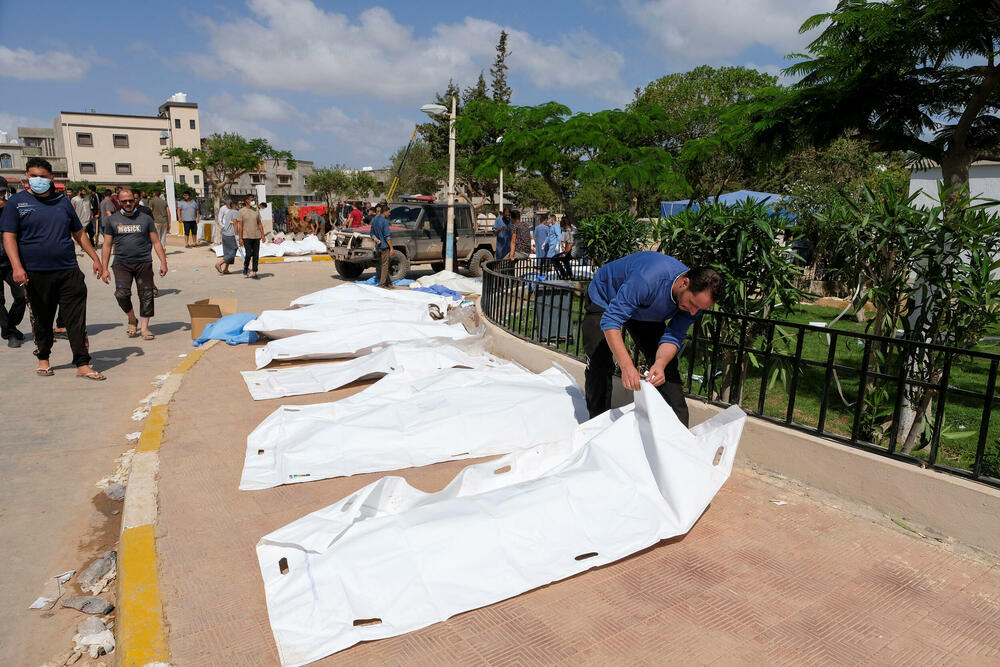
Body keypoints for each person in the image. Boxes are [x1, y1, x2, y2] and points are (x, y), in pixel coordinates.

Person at [583, 251, 724, 424]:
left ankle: (679, 434)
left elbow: (674, 336)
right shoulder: (649, 278)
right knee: (600, 363)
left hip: (645, 311)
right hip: (606, 296)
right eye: (693, 304)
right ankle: (596, 425)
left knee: (667, 369)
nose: (694, 312)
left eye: (700, 308)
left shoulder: (693, 303)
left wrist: (660, 363)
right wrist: (627, 365)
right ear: (685, 283)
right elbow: (611, 320)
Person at [0, 157, 108, 380]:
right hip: (34, 273)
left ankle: (82, 363)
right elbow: (9, 236)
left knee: (75, 319)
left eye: (42, 176)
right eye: (33, 176)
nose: (38, 180)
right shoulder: (16, 203)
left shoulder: (63, 201)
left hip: (68, 270)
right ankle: (44, 358)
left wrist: (95, 258)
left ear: (51, 178)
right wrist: (17, 267)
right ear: (26, 177)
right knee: (41, 319)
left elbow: (78, 232)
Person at [101, 188, 167, 340]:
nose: (128, 203)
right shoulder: (112, 220)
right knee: (121, 294)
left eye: (131, 200)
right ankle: (132, 318)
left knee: (147, 295)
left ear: (135, 200)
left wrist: (163, 262)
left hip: (143, 262)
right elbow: (106, 245)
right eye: (124, 201)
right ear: (119, 201)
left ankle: (144, 328)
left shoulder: (146, 219)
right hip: (121, 263)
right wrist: (104, 268)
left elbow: (156, 242)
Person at [0, 179, 26, 347]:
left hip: (12, 262)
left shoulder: (11, 208)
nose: (0, 195)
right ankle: (10, 333)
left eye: (2, 192)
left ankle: (9, 327)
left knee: (22, 296)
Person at [236, 198, 264, 279]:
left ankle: (254, 272)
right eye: (252, 200)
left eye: (254, 200)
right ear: (247, 201)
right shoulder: (241, 211)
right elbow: (240, 226)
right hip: (246, 236)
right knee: (248, 253)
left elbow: (259, 223)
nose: (253, 201)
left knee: (256, 255)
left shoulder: (256, 210)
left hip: (256, 236)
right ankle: (246, 266)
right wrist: (240, 238)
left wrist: (263, 235)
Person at [370, 202, 393, 288]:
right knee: (385, 266)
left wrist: (375, 239)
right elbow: (387, 237)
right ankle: (382, 284)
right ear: (385, 212)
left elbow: (371, 233)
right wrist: (392, 248)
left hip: (377, 246)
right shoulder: (385, 222)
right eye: (389, 212)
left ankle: (387, 283)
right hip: (384, 247)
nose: (389, 214)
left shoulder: (375, 220)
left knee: (379, 265)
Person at [215, 198, 239, 275]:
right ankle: (219, 263)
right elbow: (235, 224)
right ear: (235, 205)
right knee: (233, 251)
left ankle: (226, 269)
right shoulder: (235, 212)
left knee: (227, 252)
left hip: (225, 233)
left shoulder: (229, 212)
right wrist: (237, 235)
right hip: (230, 234)